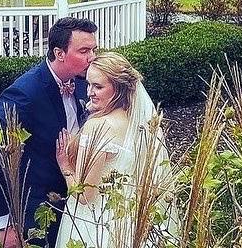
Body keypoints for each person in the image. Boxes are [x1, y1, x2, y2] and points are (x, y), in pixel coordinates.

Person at [0, 17, 98, 248]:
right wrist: (4, 225)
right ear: (59, 53)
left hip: (79, 206)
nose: (92, 57)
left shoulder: (87, 83)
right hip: (37, 213)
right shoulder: (24, 95)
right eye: (84, 51)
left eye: (94, 49)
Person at [53, 52, 172, 248]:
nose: (89, 92)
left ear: (118, 89)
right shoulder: (140, 124)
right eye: (89, 84)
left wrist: (65, 166)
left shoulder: (97, 127)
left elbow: (84, 195)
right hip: (126, 221)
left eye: (98, 86)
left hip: (93, 224)